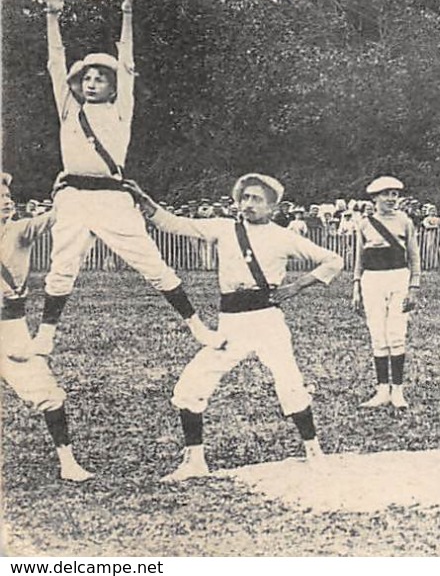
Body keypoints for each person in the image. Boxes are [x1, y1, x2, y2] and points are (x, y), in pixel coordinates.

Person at [36, 0, 221, 356]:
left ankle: (199, 328)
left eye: (100, 77)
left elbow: (129, 60)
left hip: (112, 196)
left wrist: (127, 14)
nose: (91, 83)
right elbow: (56, 61)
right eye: (86, 77)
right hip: (73, 196)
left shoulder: (122, 110)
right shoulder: (69, 108)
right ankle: (46, 335)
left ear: (113, 84)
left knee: (152, 263)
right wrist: (52, 15)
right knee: (62, 267)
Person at [130, 174, 344, 482]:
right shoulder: (224, 228)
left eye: (257, 199)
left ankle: (314, 453)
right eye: (245, 198)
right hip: (230, 322)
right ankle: (195, 461)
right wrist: (143, 199)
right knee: (192, 385)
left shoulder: (283, 236)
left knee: (290, 382)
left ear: (273, 205)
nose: (249, 204)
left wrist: (295, 287)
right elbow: (174, 224)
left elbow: (333, 260)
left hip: (267, 320)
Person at [0, 179, 95, 482]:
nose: (6, 201)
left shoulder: (20, 230)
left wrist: (71, 189)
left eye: (7, 195)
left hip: (9, 328)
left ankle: (68, 464)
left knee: (48, 394)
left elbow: (57, 215)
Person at [352, 176, 422, 409]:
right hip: (371, 280)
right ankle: (382, 390)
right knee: (377, 333)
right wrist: (356, 286)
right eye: (386, 194)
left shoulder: (405, 221)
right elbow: (359, 258)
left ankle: (398, 391)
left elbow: (413, 256)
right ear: (374, 198)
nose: (391, 198)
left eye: (395, 194)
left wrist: (414, 287)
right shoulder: (364, 223)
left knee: (396, 332)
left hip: (398, 277)